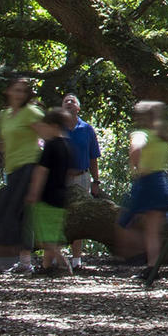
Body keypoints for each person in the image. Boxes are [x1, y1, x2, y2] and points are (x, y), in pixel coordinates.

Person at [116, 102, 168, 271]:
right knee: (152, 231)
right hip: (161, 182)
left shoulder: (141, 134)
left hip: (146, 182)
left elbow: (136, 148)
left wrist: (135, 166)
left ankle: (136, 255)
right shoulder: (164, 137)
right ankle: (152, 266)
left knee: (124, 223)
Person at [0, 75, 44, 270]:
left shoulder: (31, 112)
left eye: (23, 91)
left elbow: (48, 134)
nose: (19, 94)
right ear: (8, 91)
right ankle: (23, 262)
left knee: (16, 210)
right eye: (16, 89)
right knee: (19, 212)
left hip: (30, 165)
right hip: (12, 169)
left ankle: (13, 259)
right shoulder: (4, 115)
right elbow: (5, 146)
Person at [23, 113, 74, 276]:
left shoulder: (50, 146)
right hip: (61, 197)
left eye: (45, 126)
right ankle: (46, 268)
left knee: (45, 239)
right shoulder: (67, 145)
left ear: (54, 126)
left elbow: (41, 172)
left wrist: (33, 192)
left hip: (47, 197)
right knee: (52, 234)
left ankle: (63, 264)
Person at [56, 98, 99, 269]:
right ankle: (55, 257)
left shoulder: (87, 129)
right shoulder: (57, 128)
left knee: (79, 215)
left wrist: (96, 180)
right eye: (65, 101)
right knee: (58, 215)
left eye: (72, 101)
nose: (68, 103)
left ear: (79, 107)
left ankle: (76, 260)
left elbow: (93, 156)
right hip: (59, 178)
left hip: (81, 177)